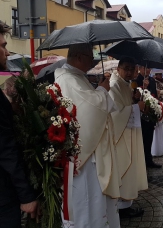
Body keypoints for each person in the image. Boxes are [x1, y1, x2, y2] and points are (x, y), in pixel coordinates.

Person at [55, 44, 121, 228]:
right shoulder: (68, 79)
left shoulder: (76, 77)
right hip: (83, 157)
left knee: (93, 201)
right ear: (78, 57)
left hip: (90, 151)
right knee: (86, 200)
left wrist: (98, 90)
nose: (93, 60)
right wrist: (101, 90)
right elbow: (90, 110)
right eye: (89, 56)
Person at [0, 23, 38, 228]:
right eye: (2, 45)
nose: (7, 51)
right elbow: (3, 147)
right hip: (0, 196)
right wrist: (26, 195)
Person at [109, 58, 147, 219]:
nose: (130, 72)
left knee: (128, 169)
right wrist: (136, 107)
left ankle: (126, 204)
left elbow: (125, 105)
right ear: (118, 68)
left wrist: (135, 98)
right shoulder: (114, 86)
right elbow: (115, 115)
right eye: (126, 68)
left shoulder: (125, 84)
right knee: (123, 170)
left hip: (128, 133)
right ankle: (121, 208)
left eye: (133, 69)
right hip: (120, 137)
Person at [136, 66, 162, 168]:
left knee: (149, 138)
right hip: (140, 114)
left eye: (150, 69)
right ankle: (140, 161)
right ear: (140, 68)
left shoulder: (152, 80)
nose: (148, 70)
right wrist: (144, 87)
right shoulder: (136, 79)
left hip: (150, 114)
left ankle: (149, 160)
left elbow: (154, 94)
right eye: (146, 68)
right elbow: (136, 95)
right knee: (141, 139)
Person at [152, 72, 163, 157]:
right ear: (156, 75)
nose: (161, 76)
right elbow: (157, 92)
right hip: (159, 103)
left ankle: (161, 144)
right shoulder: (154, 81)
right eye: (159, 74)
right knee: (158, 123)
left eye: (161, 74)